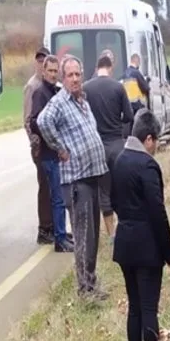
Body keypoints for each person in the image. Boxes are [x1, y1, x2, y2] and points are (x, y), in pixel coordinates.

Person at [36, 56, 110, 300]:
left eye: (78, 74)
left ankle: (92, 283)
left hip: (92, 176)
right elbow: (42, 121)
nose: (75, 79)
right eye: (70, 75)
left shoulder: (83, 101)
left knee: (92, 236)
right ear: (63, 78)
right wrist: (59, 147)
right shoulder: (60, 101)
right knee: (83, 236)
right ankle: (85, 290)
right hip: (77, 180)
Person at [111, 109, 170, 341]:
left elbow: (114, 201)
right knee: (149, 306)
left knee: (135, 307)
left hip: (125, 244)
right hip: (147, 248)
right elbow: (157, 212)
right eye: (156, 141)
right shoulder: (147, 165)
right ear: (148, 139)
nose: (156, 146)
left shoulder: (119, 160)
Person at [84, 52, 136, 236]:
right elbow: (129, 116)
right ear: (110, 68)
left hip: (97, 147)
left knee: (103, 190)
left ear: (97, 68)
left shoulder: (86, 88)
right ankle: (124, 228)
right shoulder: (118, 87)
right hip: (117, 145)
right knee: (121, 187)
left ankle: (110, 233)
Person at [27, 54, 72, 253]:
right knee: (57, 197)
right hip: (48, 153)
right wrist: (51, 135)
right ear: (43, 71)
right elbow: (34, 122)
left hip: (57, 153)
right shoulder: (39, 93)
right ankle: (59, 238)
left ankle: (61, 231)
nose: (53, 74)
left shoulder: (56, 91)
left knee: (60, 196)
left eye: (56, 71)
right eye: (50, 71)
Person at [24, 46, 54, 245]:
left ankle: (51, 226)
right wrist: (35, 142)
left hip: (47, 144)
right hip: (39, 145)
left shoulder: (48, 85)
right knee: (45, 187)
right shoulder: (33, 87)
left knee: (51, 187)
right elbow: (28, 120)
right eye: (39, 59)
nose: (41, 63)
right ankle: (44, 229)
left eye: (44, 59)